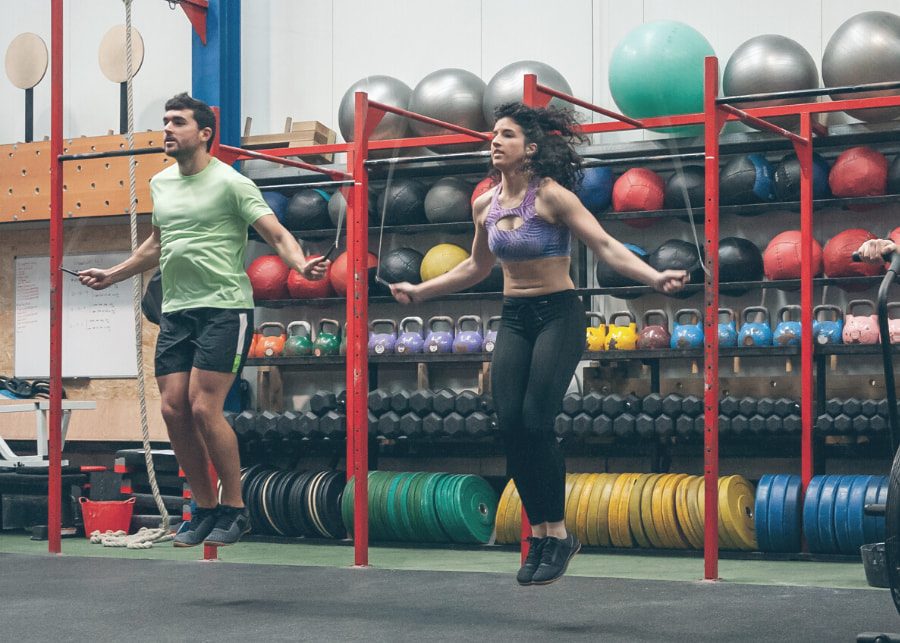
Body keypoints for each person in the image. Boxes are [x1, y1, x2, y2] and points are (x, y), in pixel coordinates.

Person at [389, 103, 688, 585]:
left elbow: (606, 246)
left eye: (506, 135)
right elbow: (475, 268)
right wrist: (420, 292)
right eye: (493, 134)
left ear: (529, 148)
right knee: (509, 425)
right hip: (515, 317)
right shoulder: (483, 203)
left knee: (535, 419)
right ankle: (542, 534)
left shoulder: (552, 197)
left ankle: (560, 534)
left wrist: (655, 276)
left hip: (559, 314)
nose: (494, 140)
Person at [78, 93, 328, 547]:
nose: (167, 129)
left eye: (178, 122)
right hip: (176, 310)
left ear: (205, 133)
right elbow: (156, 244)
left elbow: (275, 233)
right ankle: (204, 508)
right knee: (173, 409)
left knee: (202, 406)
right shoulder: (161, 184)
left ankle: (235, 508)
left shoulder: (232, 183)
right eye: (165, 121)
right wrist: (113, 275)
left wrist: (299, 264)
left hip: (224, 308)